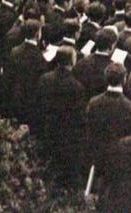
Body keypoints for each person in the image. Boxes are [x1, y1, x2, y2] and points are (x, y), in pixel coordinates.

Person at [36, 47, 87, 184]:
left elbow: (39, 103)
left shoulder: (44, 79)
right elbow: (78, 115)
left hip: (47, 126)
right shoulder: (77, 87)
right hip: (66, 133)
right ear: (72, 62)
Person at [85, 64, 131, 192]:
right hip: (120, 158)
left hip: (98, 153)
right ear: (124, 79)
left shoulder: (94, 102)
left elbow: (89, 129)